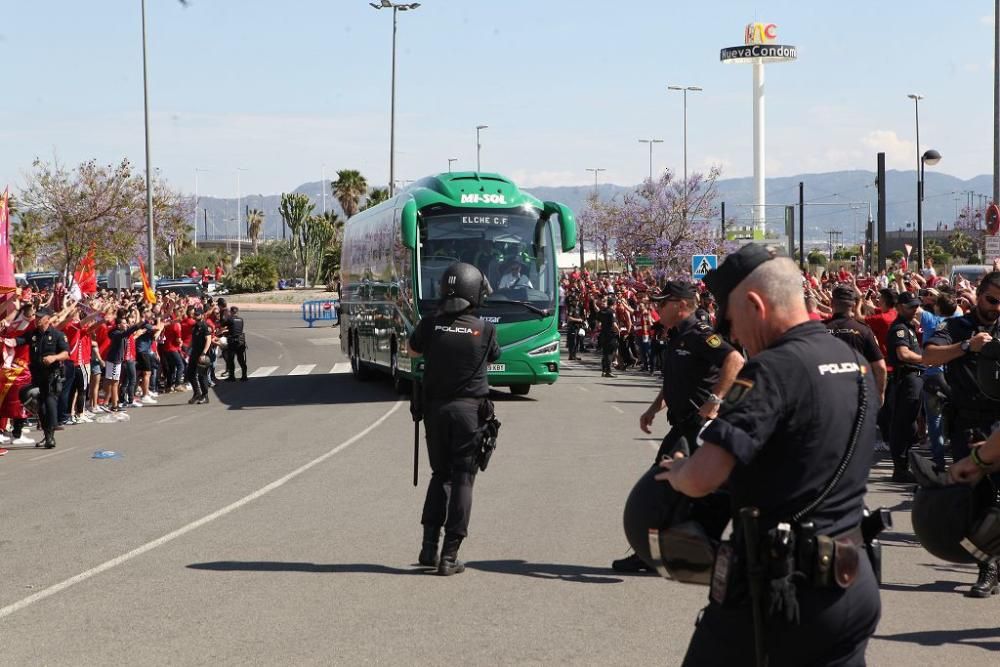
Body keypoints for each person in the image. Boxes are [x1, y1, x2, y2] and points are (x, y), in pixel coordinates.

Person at [659, 245, 880, 666]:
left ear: (755, 305)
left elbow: (704, 476)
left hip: (786, 589)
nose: (734, 335)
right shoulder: (853, 361)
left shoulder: (771, 371)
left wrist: (677, 472)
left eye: (733, 320)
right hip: (853, 581)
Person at [613, 281, 743, 574]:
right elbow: (675, 380)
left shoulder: (699, 334)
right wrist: (654, 408)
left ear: (681, 305)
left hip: (698, 426)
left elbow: (734, 360)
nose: (656, 308)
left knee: (667, 486)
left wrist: (715, 399)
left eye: (662, 303)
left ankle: (654, 555)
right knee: (672, 488)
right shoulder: (677, 336)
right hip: (681, 423)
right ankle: (659, 553)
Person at [407, 262, 500, 576]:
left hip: (436, 410)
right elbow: (494, 356)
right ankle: (450, 556)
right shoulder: (484, 329)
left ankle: (428, 548)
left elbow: (412, 351)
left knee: (439, 475)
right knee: (463, 479)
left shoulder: (430, 323)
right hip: (469, 413)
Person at [924, 270, 1000, 598]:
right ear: (978, 296)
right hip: (968, 425)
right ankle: (988, 567)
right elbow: (929, 355)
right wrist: (967, 346)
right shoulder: (956, 326)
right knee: (976, 501)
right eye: (992, 300)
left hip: (999, 425)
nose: (996, 307)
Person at [824, 284, 888, 405]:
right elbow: (880, 367)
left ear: (832, 303)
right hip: (855, 394)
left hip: (825, 394)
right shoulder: (864, 331)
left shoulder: (819, 329)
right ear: (853, 306)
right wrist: (880, 394)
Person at [885, 291, 924, 482]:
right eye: (911, 307)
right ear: (899, 307)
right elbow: (903, 354)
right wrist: (927, 359)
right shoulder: (900, 328)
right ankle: (900, 468)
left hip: (913, 379)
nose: (915, 309)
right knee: (903, 424)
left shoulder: (908, 326)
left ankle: (904, 465)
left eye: (916, 306)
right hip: (906, 378)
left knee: (910, 425)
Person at [20, 308, 70, 449]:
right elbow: (20, 340)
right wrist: (7, 340)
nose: (37, 320)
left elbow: (66, 353)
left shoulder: (57, 335)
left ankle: (51, 434)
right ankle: (48, 435)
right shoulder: (33, 334)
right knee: (40, 406)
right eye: (36, 317)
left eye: (40, 318)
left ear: (47, 319)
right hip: (37, 375)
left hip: (51, 376)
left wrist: (54, 357)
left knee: (49, 401)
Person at [187, 308, 213, 405]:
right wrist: (188, 348)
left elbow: (208, 340)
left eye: (198, 315)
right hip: (194, 353)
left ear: (202, 315)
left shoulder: (205, 326)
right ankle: (197, 393)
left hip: (202, 355)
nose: (196, 316)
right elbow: (193, 339)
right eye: (195, 315)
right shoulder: (194, 326)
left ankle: (205, 396)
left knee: (202, 376)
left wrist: (204, 353)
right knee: (190, 374)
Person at [595, 296, 618, 378]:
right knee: (610, 354)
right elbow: (614, 324)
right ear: (614, 304)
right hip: (611, 335)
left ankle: (604, 371)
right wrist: (618, 331)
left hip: (603, 334)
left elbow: (598, 324)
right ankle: (608, 371)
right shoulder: (611, 312)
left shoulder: (601, 311)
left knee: (605, 353)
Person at [223, 306, 248, 381]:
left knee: (231, 360)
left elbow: (222, 324)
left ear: (231, 312)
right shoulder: (241, 319)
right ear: (237, 312)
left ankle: (232, 377)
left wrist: (226, 316)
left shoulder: (230, 319)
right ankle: (244, 376)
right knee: (241, 359)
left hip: (232, 342)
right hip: (240, 341)